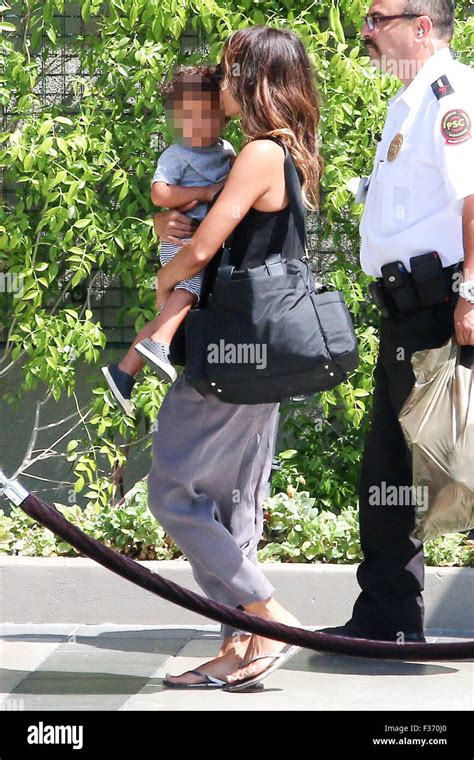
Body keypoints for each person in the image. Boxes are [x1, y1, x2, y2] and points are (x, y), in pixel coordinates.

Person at [147, 26, 323, 689]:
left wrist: (165, 282)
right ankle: (244, 647)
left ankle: (265, 611)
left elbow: (202, 251)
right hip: (263, 354)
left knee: (171, 492)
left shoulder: (255, 153)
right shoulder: (291, 152)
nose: (219, 87)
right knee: (234, 508)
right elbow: (215, 232)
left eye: (227, 74)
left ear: (253, 80)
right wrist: (173, 223)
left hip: (228, 351)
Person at [321, 0, 474, 642]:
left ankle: (387, 613)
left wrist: (473, 293)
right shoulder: (405, 102)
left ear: (420, 25)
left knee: (458, 461)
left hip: (444, 311)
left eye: (376, 18)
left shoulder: (450, 94)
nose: (365, 32)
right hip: (405, 314)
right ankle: (386, 617)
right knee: (389, 470)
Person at [101, 66, 234, 415]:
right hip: (184, 240)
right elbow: (160, 194)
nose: (196, 126)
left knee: (176, 304)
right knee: (188, 289)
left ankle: (124, 370)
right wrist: (205, 191)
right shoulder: (176, 154)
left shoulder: (229, 152)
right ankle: (159, 344)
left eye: (205, 115)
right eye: (185, 118)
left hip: (202, 243)